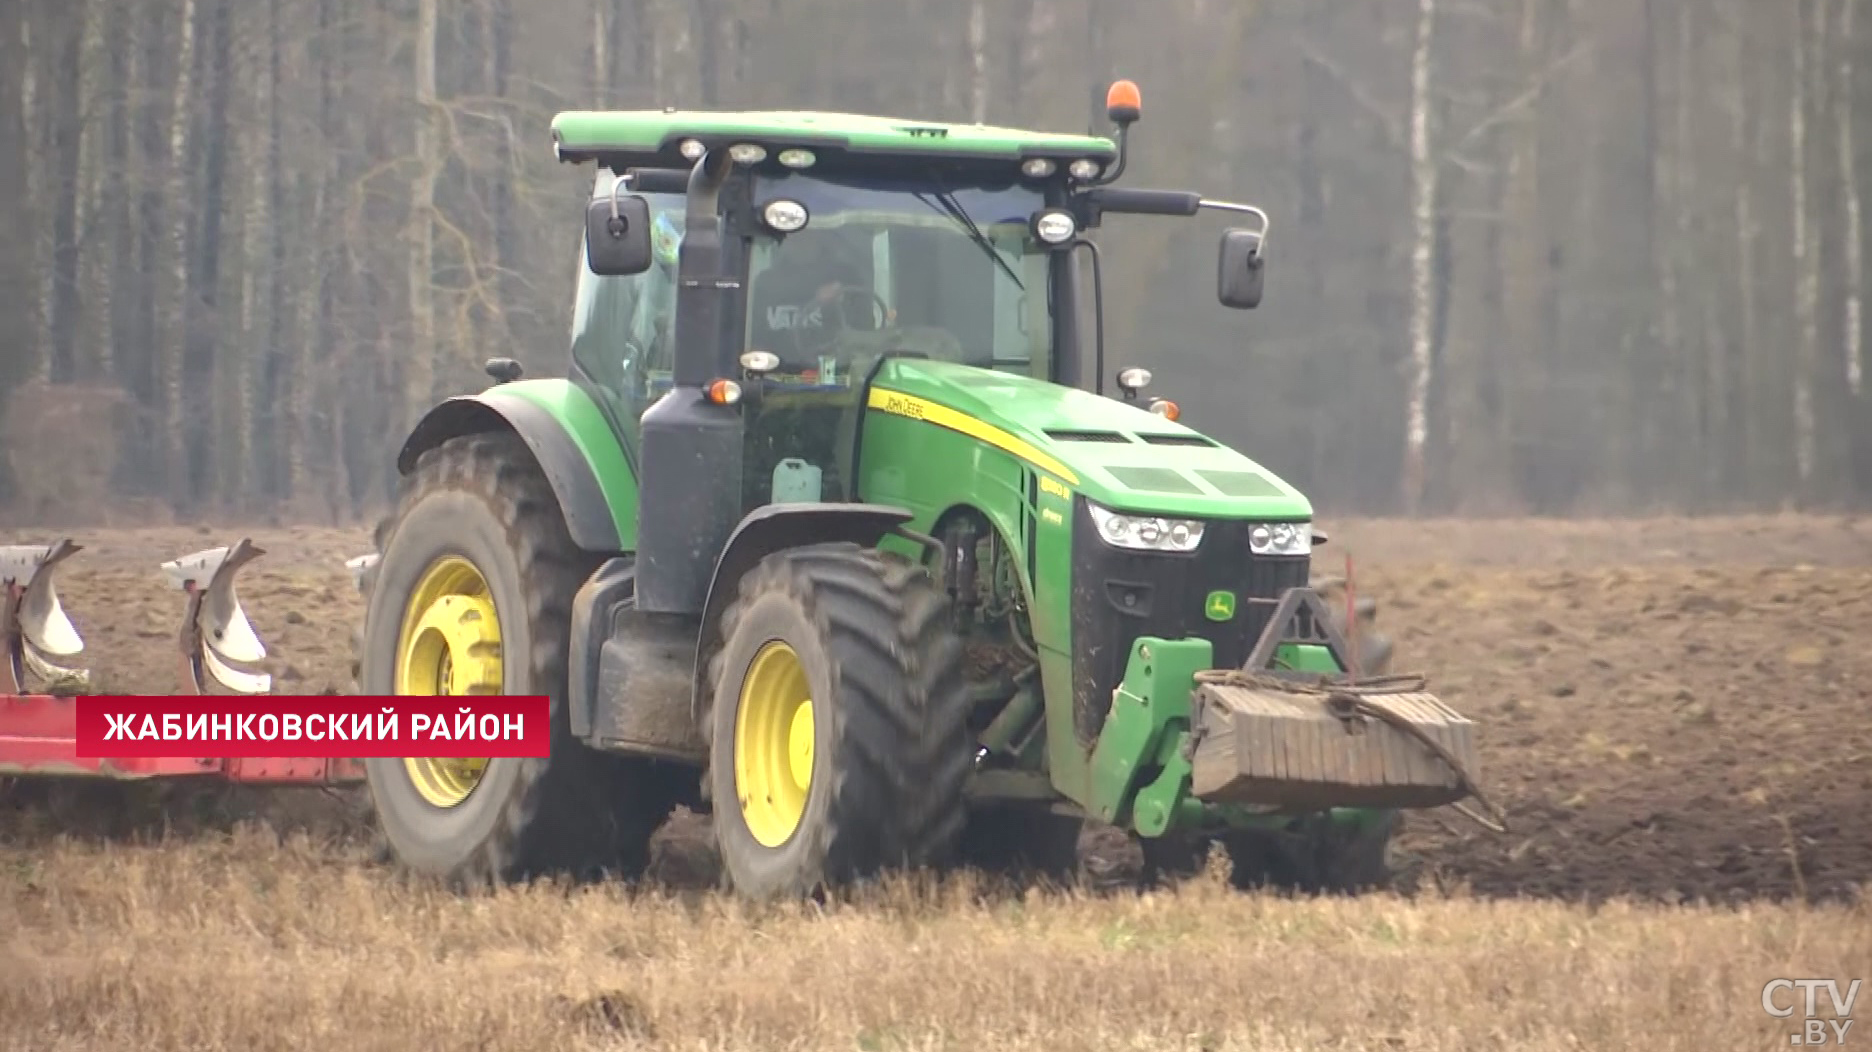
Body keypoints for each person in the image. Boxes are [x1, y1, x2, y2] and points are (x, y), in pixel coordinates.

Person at [746, 231, 871, 365]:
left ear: (820, 236)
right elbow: (755, 337)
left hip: (840, 372)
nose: (801, 240)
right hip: (777, 373)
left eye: (807, 235)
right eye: (794, 236)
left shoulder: (847, 277)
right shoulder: (767, 283)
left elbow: (864, 333)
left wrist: (836, 305)